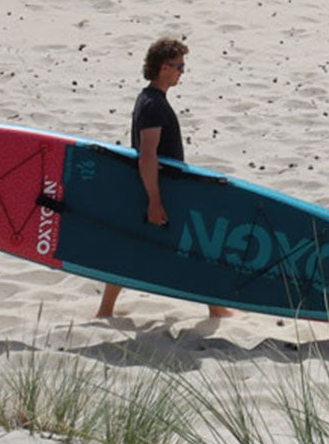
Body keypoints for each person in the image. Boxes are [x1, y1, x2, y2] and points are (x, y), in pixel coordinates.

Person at [95, 37, 234, 319]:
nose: (182, 71)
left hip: (160, 188)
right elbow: (147, 154)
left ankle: (105, 311)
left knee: (134, 248)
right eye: (178, 66)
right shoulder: (153, 105)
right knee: (193, 247)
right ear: (163, 67)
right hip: (164, 191)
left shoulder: (149, 99)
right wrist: (155, 200)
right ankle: (217, 310)